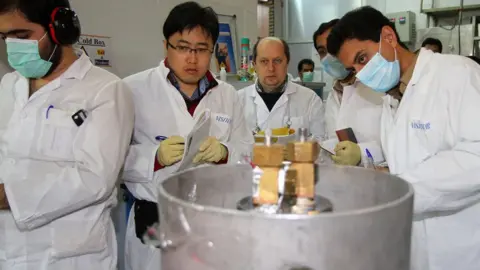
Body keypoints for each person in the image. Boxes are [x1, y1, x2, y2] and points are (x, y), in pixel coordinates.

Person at [327, 6, 480, 270]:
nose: (361, 74)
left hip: (459, 246)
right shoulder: (393, 98)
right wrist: (378, 176)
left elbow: (475, 156)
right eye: (354, 68)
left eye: (362, 58)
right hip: (414, 246)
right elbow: (409, 159)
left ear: (388, 36)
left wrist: (398, 188)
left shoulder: (457, 74)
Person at [0, 0, 134, 269]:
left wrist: (9, 195)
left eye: (22, 36)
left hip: (71, 257)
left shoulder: (105, 90)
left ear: (59, 29)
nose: (11, 47)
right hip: (10, 252)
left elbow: (95, 178)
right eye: (4, 38)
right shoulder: (9, 84)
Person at [122, 2, 253, 270]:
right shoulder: (132, 89)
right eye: (182, 47)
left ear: (213, 51)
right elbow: (111, 159)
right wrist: (153, 157)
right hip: (156, 219)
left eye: (201, 49)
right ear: (165, 47)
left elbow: (248, 150)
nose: (192, 58)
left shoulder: (227, 95)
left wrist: (226, 152)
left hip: (213, 219)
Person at [313, 19, 384, 165]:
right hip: (346, 180)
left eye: (333, 47)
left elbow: (400, 147)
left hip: (382, 179)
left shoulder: (379, 88)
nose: (328, 56)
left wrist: (362, 153)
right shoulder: (334, 94)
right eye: (322, 51)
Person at [237, 37, 325, 141]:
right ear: (254, 65)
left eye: (277, 61)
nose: (271, 68)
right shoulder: (238, 100)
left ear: (287, 63)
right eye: (264, 61)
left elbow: (321, 144)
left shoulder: (310, 100)